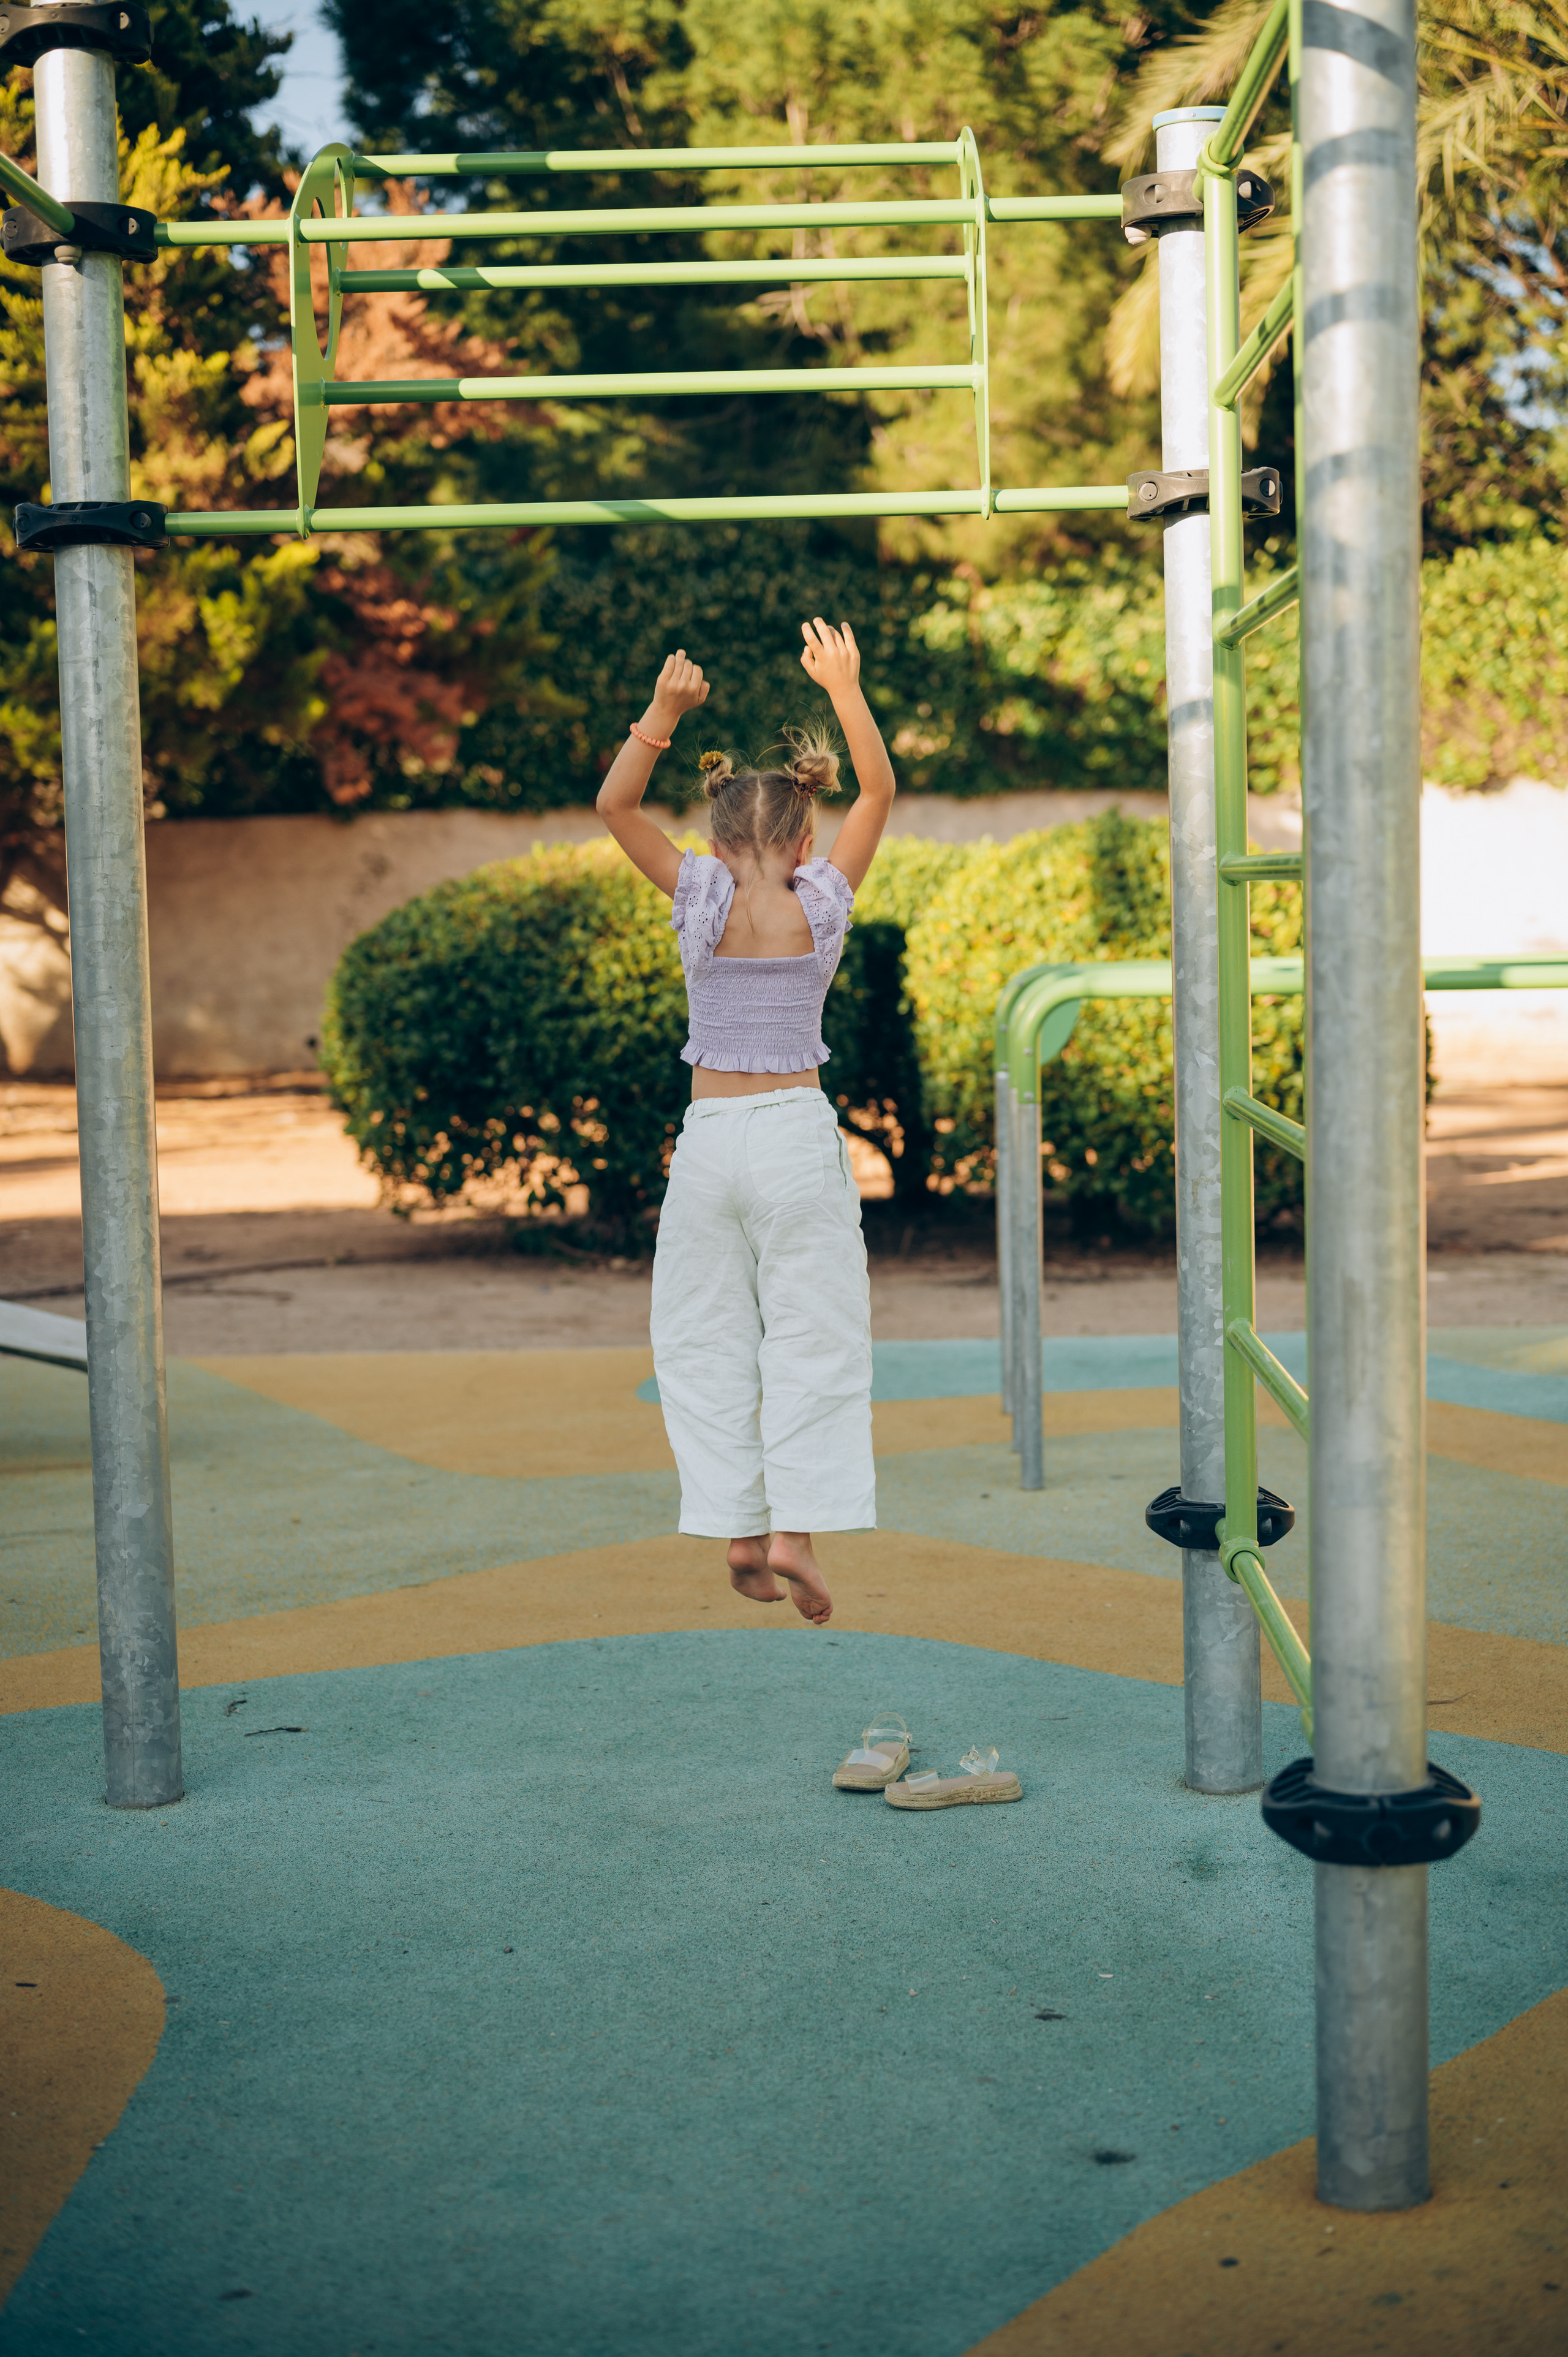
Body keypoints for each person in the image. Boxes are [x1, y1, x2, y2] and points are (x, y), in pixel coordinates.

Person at [595, 619, 897, 1627]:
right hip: (799, 1140)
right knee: (814, 1337)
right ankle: (794, 1534)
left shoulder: (694, 890)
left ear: (716, 843)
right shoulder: (823, 894)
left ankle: (733, 1524)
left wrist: (665, 714)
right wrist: (844, 689)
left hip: (711, 1145)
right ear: (804, 837)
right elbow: (882, 793)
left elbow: (614, 803)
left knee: (701, 1335)